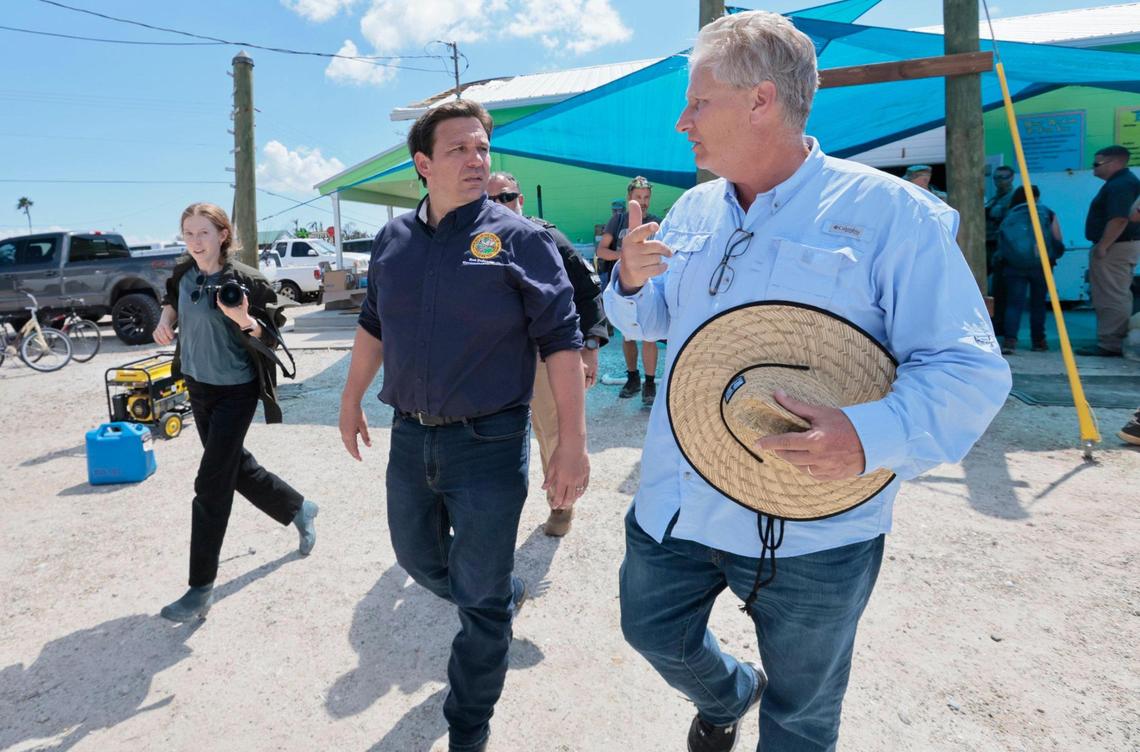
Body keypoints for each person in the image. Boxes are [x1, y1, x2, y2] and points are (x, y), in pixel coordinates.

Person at [604, 12, 1011, 752]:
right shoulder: (695, 208)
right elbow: (648, 321)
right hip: (679, 500)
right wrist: (628, 281)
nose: (681, 122)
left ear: (761, 101)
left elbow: (967, 367)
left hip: (818, 532)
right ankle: (727, 693)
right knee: (649, 629)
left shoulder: (892, 214)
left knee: (803, 715)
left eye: (698, 103)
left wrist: (870, 433)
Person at [337, 100, 588, 752]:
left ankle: (468, 722)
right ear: (423, 164)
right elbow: (372, 325)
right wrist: (350, 397)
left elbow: (562, 344)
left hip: (491, 444)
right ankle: (493, 594)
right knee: (417, 558)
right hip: (409, 436)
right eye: (459, 150)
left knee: (476, 603)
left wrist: (572, 447)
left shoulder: (520, 239)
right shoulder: (392, 240)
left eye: (482, 148)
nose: (477, 160)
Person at [153, 202, 316, 622]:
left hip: (235, 391)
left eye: (203, 233)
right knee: (233, 467)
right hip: (197, 386)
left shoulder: (246, 280)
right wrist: (165, 318)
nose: (194, 242)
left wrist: (245, 319)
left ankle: (199, 588)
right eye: (187, 233)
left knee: (211, 483)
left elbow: (272, 335)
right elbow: (172, 297)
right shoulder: (182, 273)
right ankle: (299, 507)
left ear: (222, 235)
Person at [487, 170, 609, 537]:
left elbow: (588, 291)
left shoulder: (545, 236)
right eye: (489, 200)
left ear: (520, 199)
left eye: (506, 197)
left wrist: (590, 346)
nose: (500, 206)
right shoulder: (474, 242)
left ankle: (562, 504)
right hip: (495, 356)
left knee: (553, 432)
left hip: (545, 354)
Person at [596, 175, 663, 405]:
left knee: (650, 335)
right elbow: (601, 251)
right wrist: (625, 258)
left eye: (646, 197)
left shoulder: (656, 222)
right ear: (629, 198)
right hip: (624, 286)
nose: (643, 202)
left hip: (649, 286)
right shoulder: (618, 220)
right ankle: (633, 377)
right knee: (628, 334)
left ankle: (650, 383)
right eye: (638, 197)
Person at [1079, 145, 1140, 356]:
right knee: (1111, 293)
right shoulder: (1122, 183)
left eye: (1097, 163)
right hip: (1119, 245)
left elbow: (1120, 218)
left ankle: (1110, 343)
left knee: (1111, 295)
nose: (1093, 168)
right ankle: (1110, 339)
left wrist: (1103, 246)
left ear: (1114, 163)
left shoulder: (1121, 185)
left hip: (1115, 247)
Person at [996, 185, 1065, 354]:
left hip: (1014, 265)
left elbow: (1002, 240)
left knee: (1013, 303)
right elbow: (1057, 238)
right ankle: (1039, 341)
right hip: (1041, 265)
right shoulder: (1048, 213)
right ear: (1036, 197)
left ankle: (1010, 341)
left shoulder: (1010, 213)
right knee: (1038, 303)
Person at [986, 165, 1016, 336]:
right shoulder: (995, 198)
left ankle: (1001, 326)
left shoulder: (1013, 198)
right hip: (989, 245)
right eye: (996, 178)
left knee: (1001, 290)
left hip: (1001, 247)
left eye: (1003, 177)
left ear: (1011, 178)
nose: (999, 181)